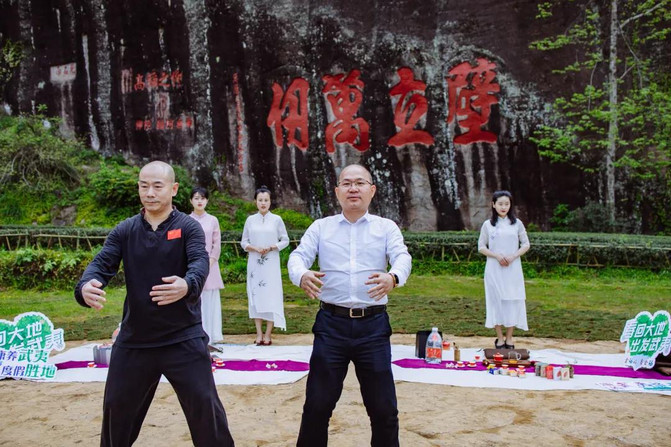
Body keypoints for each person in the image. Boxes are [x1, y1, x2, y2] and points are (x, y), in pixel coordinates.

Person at [74, 161, 235, 447]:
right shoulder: (126, 230)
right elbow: (101, 263)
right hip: (136, 339)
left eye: (157, 186)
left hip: (182, 337)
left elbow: (199, 262)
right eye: (143, 186)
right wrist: (86, 285)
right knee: (116, 410)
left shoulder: (188, 227)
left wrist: (187, 284)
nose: (149, 193)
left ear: (173, 189)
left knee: (205, 408)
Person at [288, 164, 412, 447]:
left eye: (359, 183)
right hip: (331, 326)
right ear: (337, 191)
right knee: (317, 405)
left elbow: (402, 256)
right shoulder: (321, 227)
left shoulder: (386, 227)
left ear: (372, 190)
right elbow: (297, 257)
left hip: (373, 327)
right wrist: (301, 275)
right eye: (346, 183)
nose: (353, 189)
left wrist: (393, 277)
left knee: (383, 408)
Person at [478, 190, 530, 349]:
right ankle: (499, 338)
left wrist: (513, 256)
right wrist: (496, 256)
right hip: (494, 268)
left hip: (513, 268)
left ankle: (509, 338)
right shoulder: (488, 225)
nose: (503, 207)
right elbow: (481, 247)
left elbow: (526, 244)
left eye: (507, 204)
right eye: (500, 204)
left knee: (513, 300)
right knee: (496, 300)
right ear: (493, 205)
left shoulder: (517, 224)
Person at [241, 185, 290, 346]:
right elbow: (244, 242)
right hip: (254, 263)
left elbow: (285, 240)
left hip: (271, 263)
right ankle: (259, 333)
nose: (263, 203)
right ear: (255, 201)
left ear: (270, 202)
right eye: (260, 200)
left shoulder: (277, 220)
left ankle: (268, 334)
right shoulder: (250, 220)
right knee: (256, 296)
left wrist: (272, 247)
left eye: (266, 200)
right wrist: (254, 248)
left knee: (271, 296)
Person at [189, 187, 225, 346]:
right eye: (196, 198)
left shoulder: (212, 220)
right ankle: (195, 336)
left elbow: (216, 244)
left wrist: (209, 262)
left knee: (210, 299)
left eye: (202, 198)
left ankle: (211, 335)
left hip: (210, 265)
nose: (199, 201)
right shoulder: (186, 220)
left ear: (207, 200)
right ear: (191, 201)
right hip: (191, 266)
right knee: (194, 298)